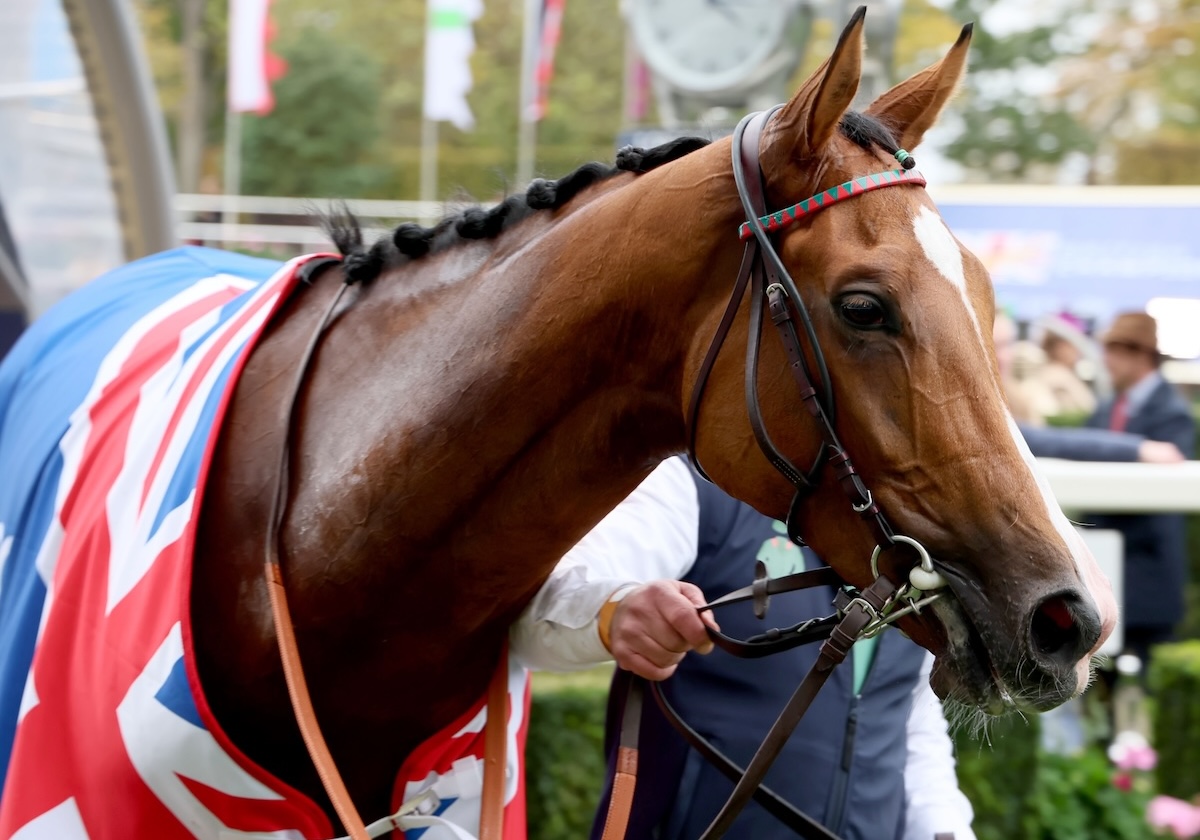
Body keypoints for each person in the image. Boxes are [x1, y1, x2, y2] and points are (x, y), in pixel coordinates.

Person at [511, 457, 977, 840]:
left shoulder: (915, 552)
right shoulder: (694, 489)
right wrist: (614, 611)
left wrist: (944, 829)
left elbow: (909, 716)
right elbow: (536, 611)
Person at [1083, 311, 1196, 665]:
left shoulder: (1173, 414)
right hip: (1101, 575)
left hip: (1146, 580)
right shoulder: (1105, 409)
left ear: (1141, 355)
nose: (1107, 361)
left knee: (1137, 687)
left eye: (1115, 351)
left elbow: (1158, 506)